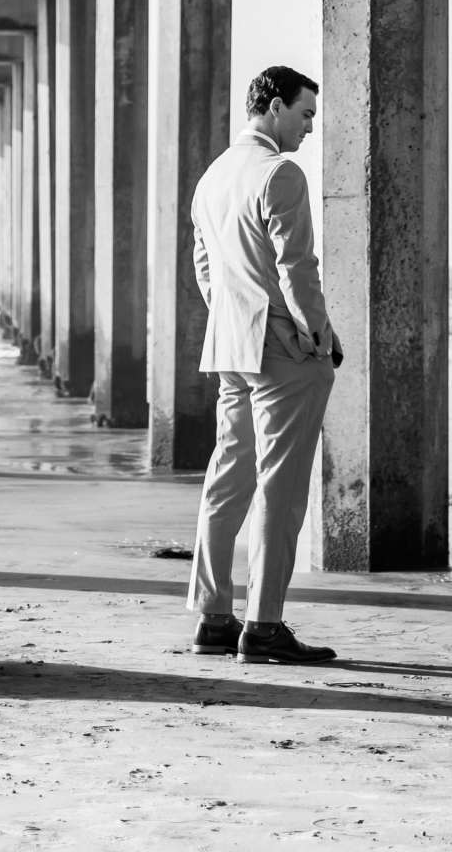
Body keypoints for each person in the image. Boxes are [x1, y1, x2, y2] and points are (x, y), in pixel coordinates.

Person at [185, 66, 343, 666]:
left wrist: (236, 317)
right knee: (280, 486)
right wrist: (319, 335)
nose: (309, 129)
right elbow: (297, 268)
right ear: (274, 107)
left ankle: (214, 616)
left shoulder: (212, 177)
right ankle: (266, 624)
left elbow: (206, 270)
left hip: (230, 343)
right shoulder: (280, 172)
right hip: (281, 349)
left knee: (227, 478)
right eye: (305, 115)